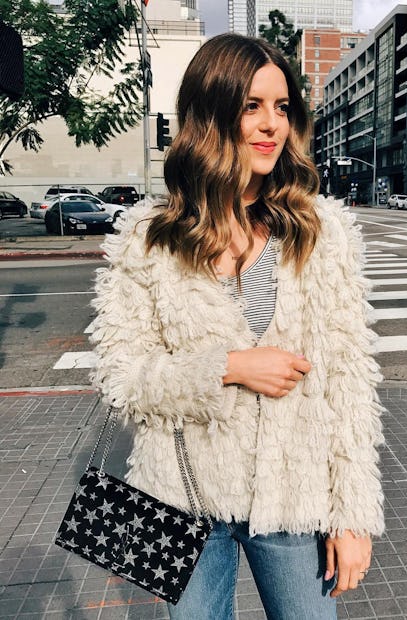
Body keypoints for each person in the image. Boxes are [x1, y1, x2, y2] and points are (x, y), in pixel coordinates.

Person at [90, 33, 384, 620]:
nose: (271, 125)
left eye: (282, 108)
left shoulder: (320, 232)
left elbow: (350, 384)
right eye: (252, 106)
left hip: (292, 496)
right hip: (178, 497)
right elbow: (120, 379)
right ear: (212, 113)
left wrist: (353, 515)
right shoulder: (148, 236)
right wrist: (227, 368)